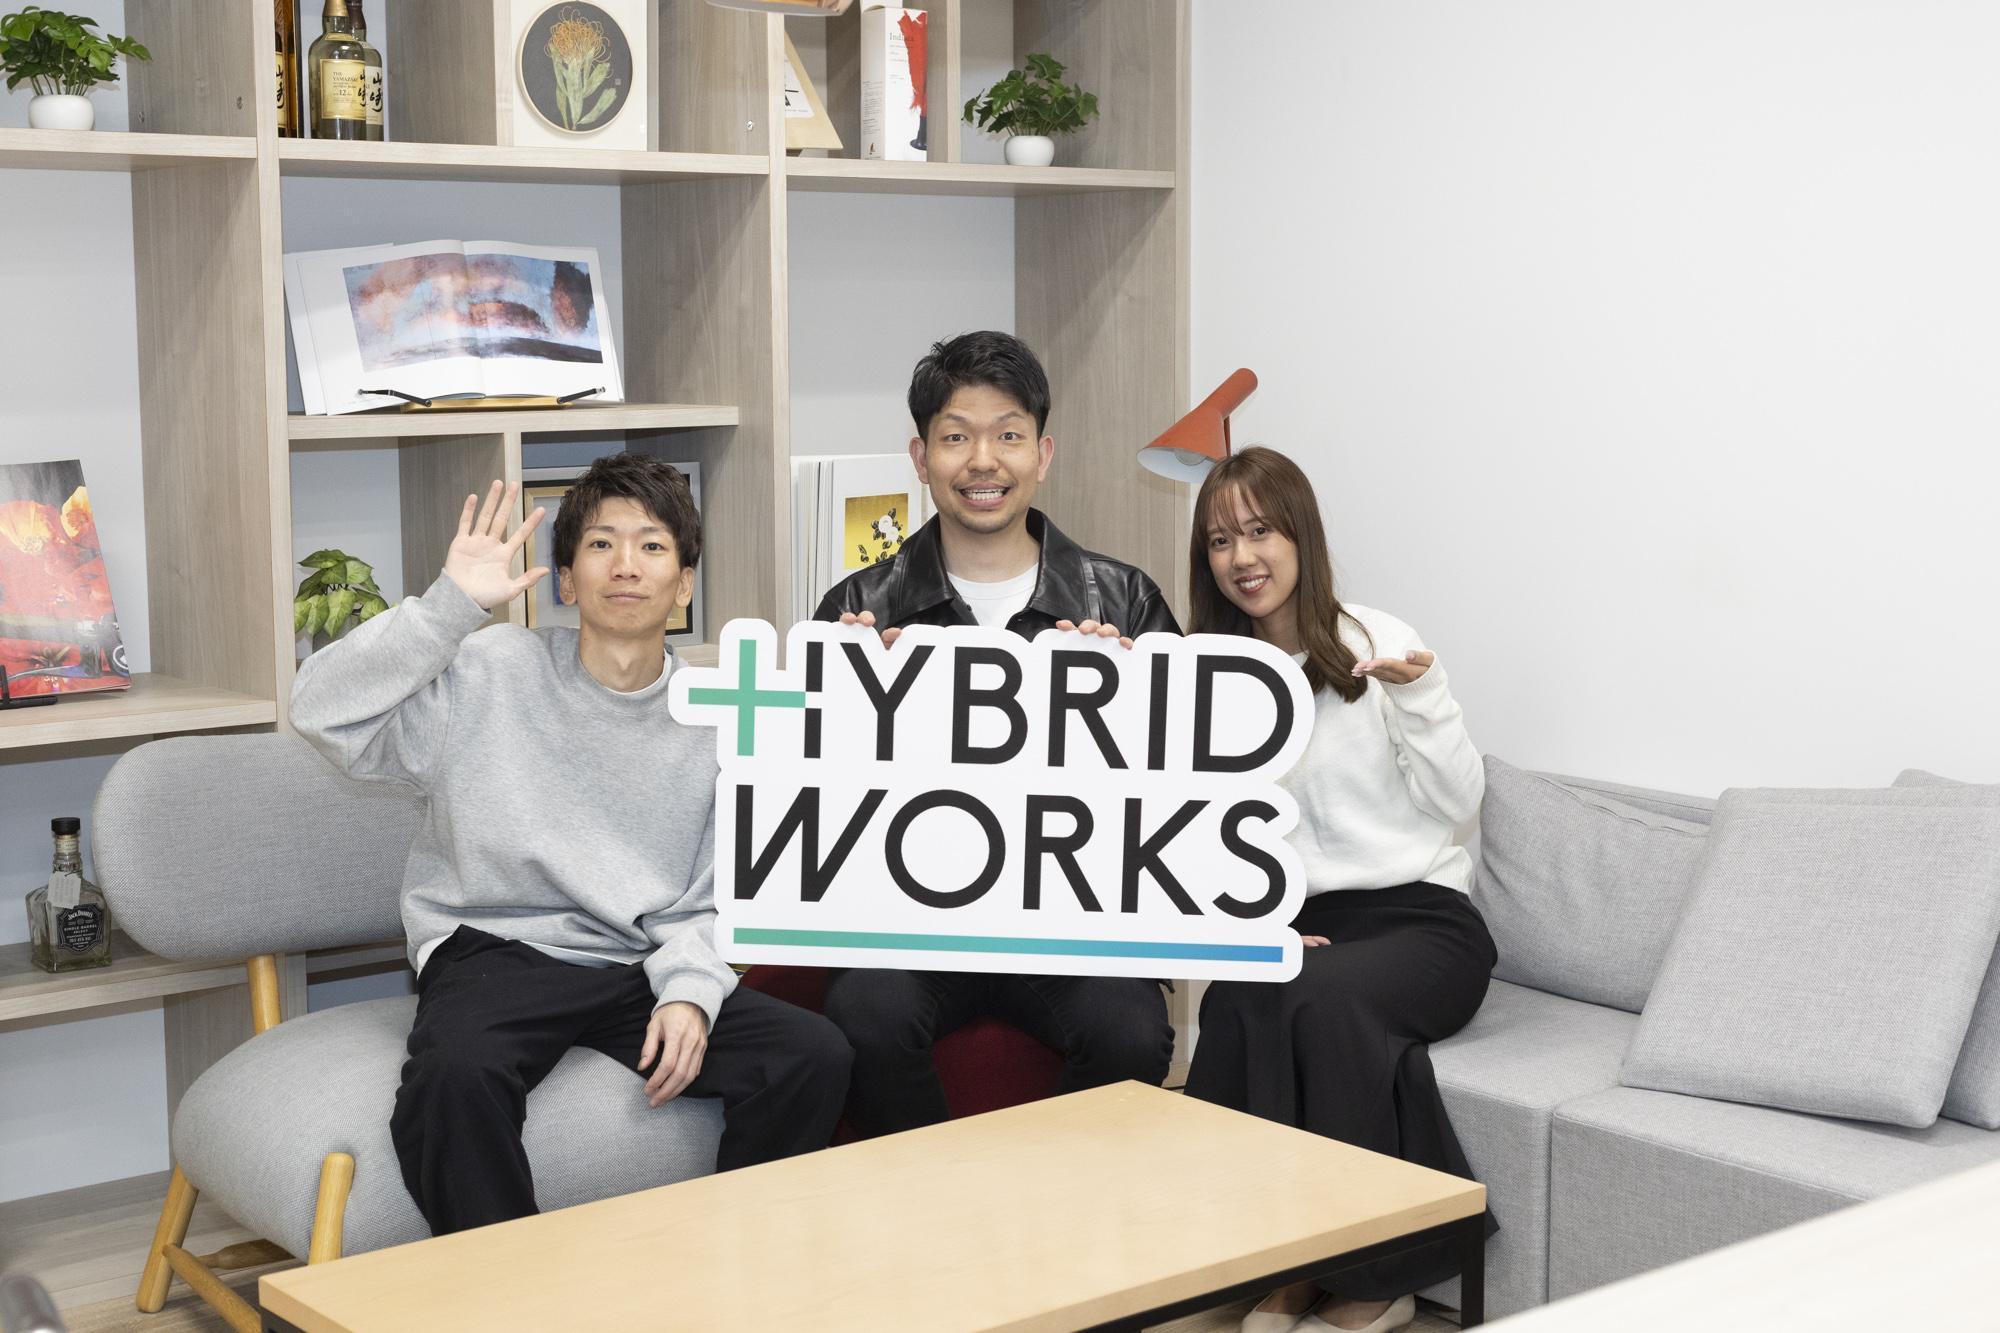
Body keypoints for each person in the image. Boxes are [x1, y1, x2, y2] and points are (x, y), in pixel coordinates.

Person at [291, 455, 851, 1237]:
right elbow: (319, 711)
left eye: (652, 546)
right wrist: (449, 606)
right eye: (600, 544)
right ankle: (512, 1288)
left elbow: (718, 891)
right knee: (453, 1081)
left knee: (811, 1052)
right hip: (495, 950)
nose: (626, 565)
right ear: (564, 579)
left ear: (685, 584)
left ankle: (735, 1264)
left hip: (635, 960)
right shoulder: (490, 671)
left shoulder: (721, 712)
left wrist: (690, 988)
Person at [813, 329, 1180, 1136]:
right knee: (866, 1015)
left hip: (1069, 926)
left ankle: (1048, 1200)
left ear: (1043, 453)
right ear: (921, 457)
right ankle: (934, 1202)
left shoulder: (1123, 600)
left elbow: (1183, 795)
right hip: (913, 928)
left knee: (1130, 1032)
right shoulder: (858, 605)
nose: (983, 460)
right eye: (956, 437)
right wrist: (852, 700)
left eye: (1008, 435)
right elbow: (815, 809)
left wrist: (1127, 700)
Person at [1181, 447, 1496, 1333]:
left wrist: (1425, 693)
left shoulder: (1375, 641)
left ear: (1301, 536)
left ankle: (1370, 1280)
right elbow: (1199, 834)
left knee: (1316, 996)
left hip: (1423, 920)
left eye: (1260, 531)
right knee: (1245, 991)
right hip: (1306, 921)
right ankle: (1286, 1264)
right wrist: (1262, 924)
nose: (1242, 557)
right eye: (1219, 540)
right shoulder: (1209, 674)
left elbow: (1460, 803)